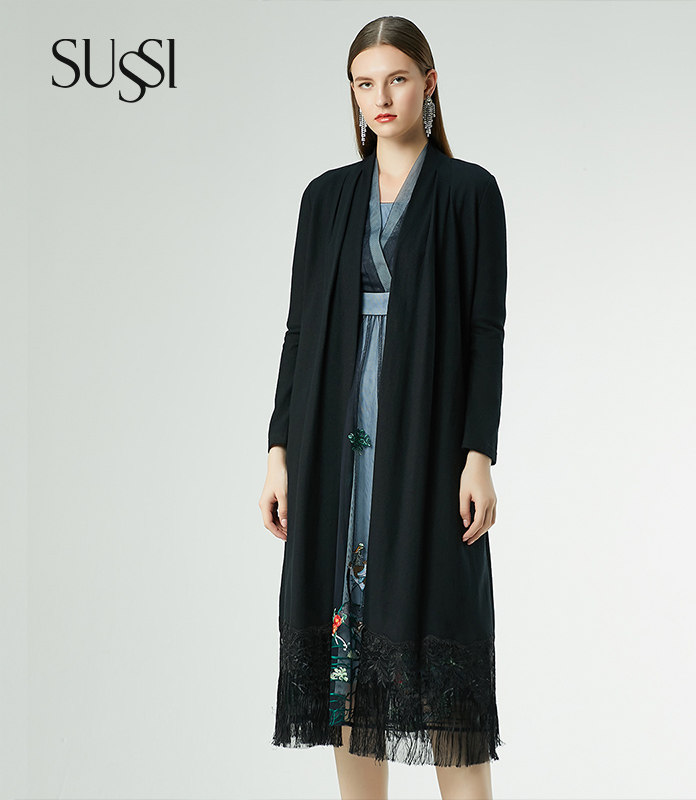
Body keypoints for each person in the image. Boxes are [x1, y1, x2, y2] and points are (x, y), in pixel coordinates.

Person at [258, 15, 508, 800]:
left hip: (426, 440)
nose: (381, 97)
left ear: (428, 83)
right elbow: (299, 329)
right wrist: (278, 451)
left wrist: (478, 453)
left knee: (445, 663)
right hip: (330, 440)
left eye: (396, 78)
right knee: (344, 669)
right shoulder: (325, 197)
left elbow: (485, 331)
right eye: (364, 84)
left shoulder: (469, 191)